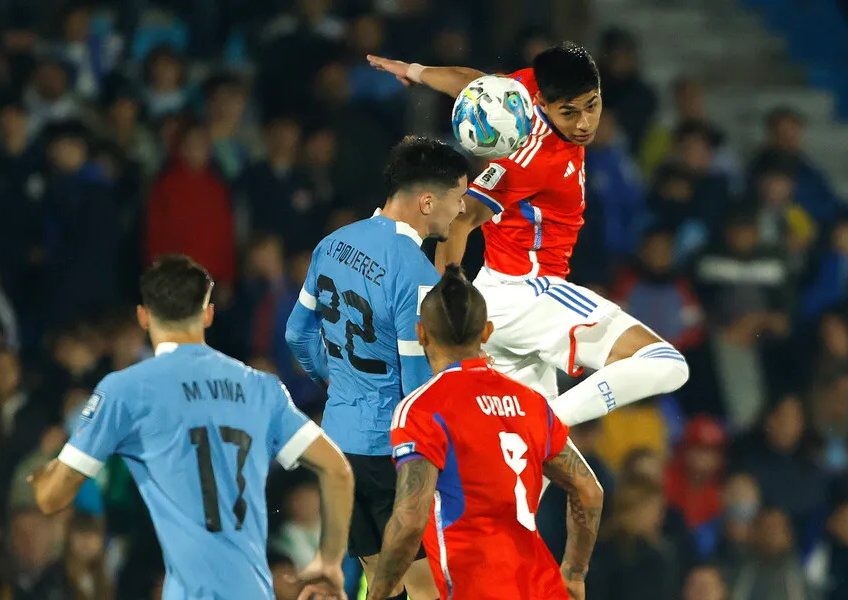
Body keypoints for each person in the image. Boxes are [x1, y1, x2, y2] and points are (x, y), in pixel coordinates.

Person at [367, 43, 689, 428]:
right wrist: (450, 295)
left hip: (501, 302)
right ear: (543, 101)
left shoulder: (524, 88)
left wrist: (416, 70)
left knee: (521, 464)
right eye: (569, 113)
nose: (585, 123)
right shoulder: (530, 158)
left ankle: (530, 434)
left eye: (593, 105)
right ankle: (544, 423)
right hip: (529, 294)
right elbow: (462, 217)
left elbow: (471, 83)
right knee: (666, 364)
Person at [28, 254, 354, 600]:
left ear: (143, 316)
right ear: (208, 313)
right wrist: (330, 562)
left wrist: (45, 474)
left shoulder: (127, 390)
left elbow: (52, 498)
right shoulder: (262, 388)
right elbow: (338, 471)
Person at [285, 136, 470, 600]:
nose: (462, 208)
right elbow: (416, 386)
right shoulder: (417, 274)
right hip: (392, 451)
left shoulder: (332, 243)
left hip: (341, 441)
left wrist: (332, 377)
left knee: (382, 583)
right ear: (428, 201)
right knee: (429, 589)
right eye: (458, 197)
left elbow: (297, 334)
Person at [365, 265, 604, 600]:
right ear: (488, 331)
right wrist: (575, 574)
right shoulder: (531, 403)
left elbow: (410, 518)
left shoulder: (421, 409)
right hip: (544, 588)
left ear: (421, 333)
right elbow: (588, 489)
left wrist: (378, 593)